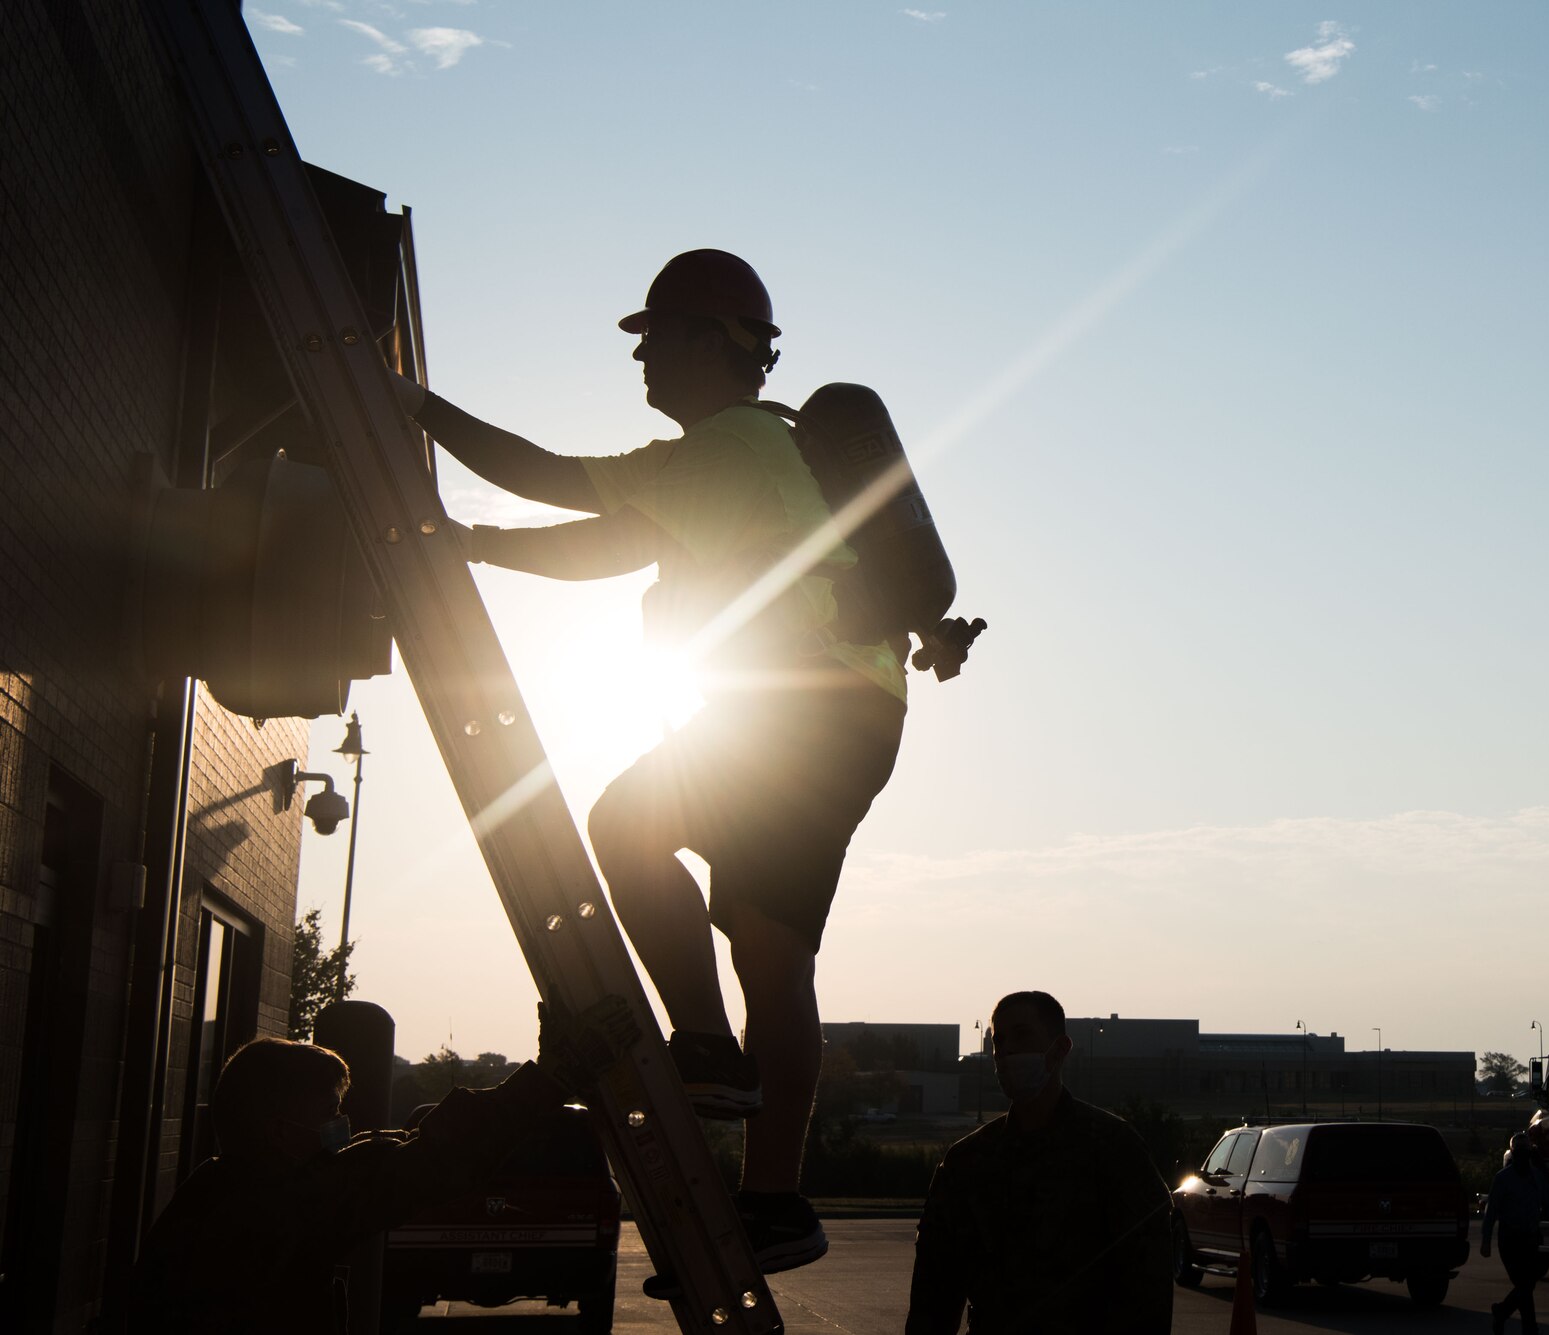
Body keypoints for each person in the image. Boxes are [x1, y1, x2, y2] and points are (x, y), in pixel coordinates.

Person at [391, 249, 908, 1271]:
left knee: (627, 826)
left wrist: (413, 407)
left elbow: (558, 492)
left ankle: (708, 1049)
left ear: (711, 343)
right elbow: (608, 536)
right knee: (771, 953)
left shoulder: (723, 450)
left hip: (800, 708)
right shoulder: (746, 454)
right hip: (842, 712)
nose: (639, 357)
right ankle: (775, 1204)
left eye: (654, 336)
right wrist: (475, 542)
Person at [126, 1036, 568, 1333]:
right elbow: (433, 1160)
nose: (342, 1126)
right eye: (330, 1112)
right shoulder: (285, 1206)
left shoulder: (215, 1190)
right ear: (280, 1132)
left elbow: (396, 1152)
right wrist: (547, 1078)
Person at [904, 991, 1172, 1335]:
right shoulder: (967, 1162)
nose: (1007, 1053)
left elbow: (1148, 1286)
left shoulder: (1113, 1149)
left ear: (1059, 1050)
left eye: (1022, 1035)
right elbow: (933, 1294)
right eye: (999, 1042)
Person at [1481, 1132, 1549, 1334]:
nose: (1522, 1158)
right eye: (1519, 1153)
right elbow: (1491, 1211)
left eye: (1525, 1153)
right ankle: (1527, 1327)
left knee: (1526, 1286)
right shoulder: (1502, 1179)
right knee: (1524, 1285)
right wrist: (1486, 1241)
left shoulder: (1537, 1177)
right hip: (1509, 1240)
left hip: (1530, 1238)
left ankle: (1503, 1313)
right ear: (1513, 1154)